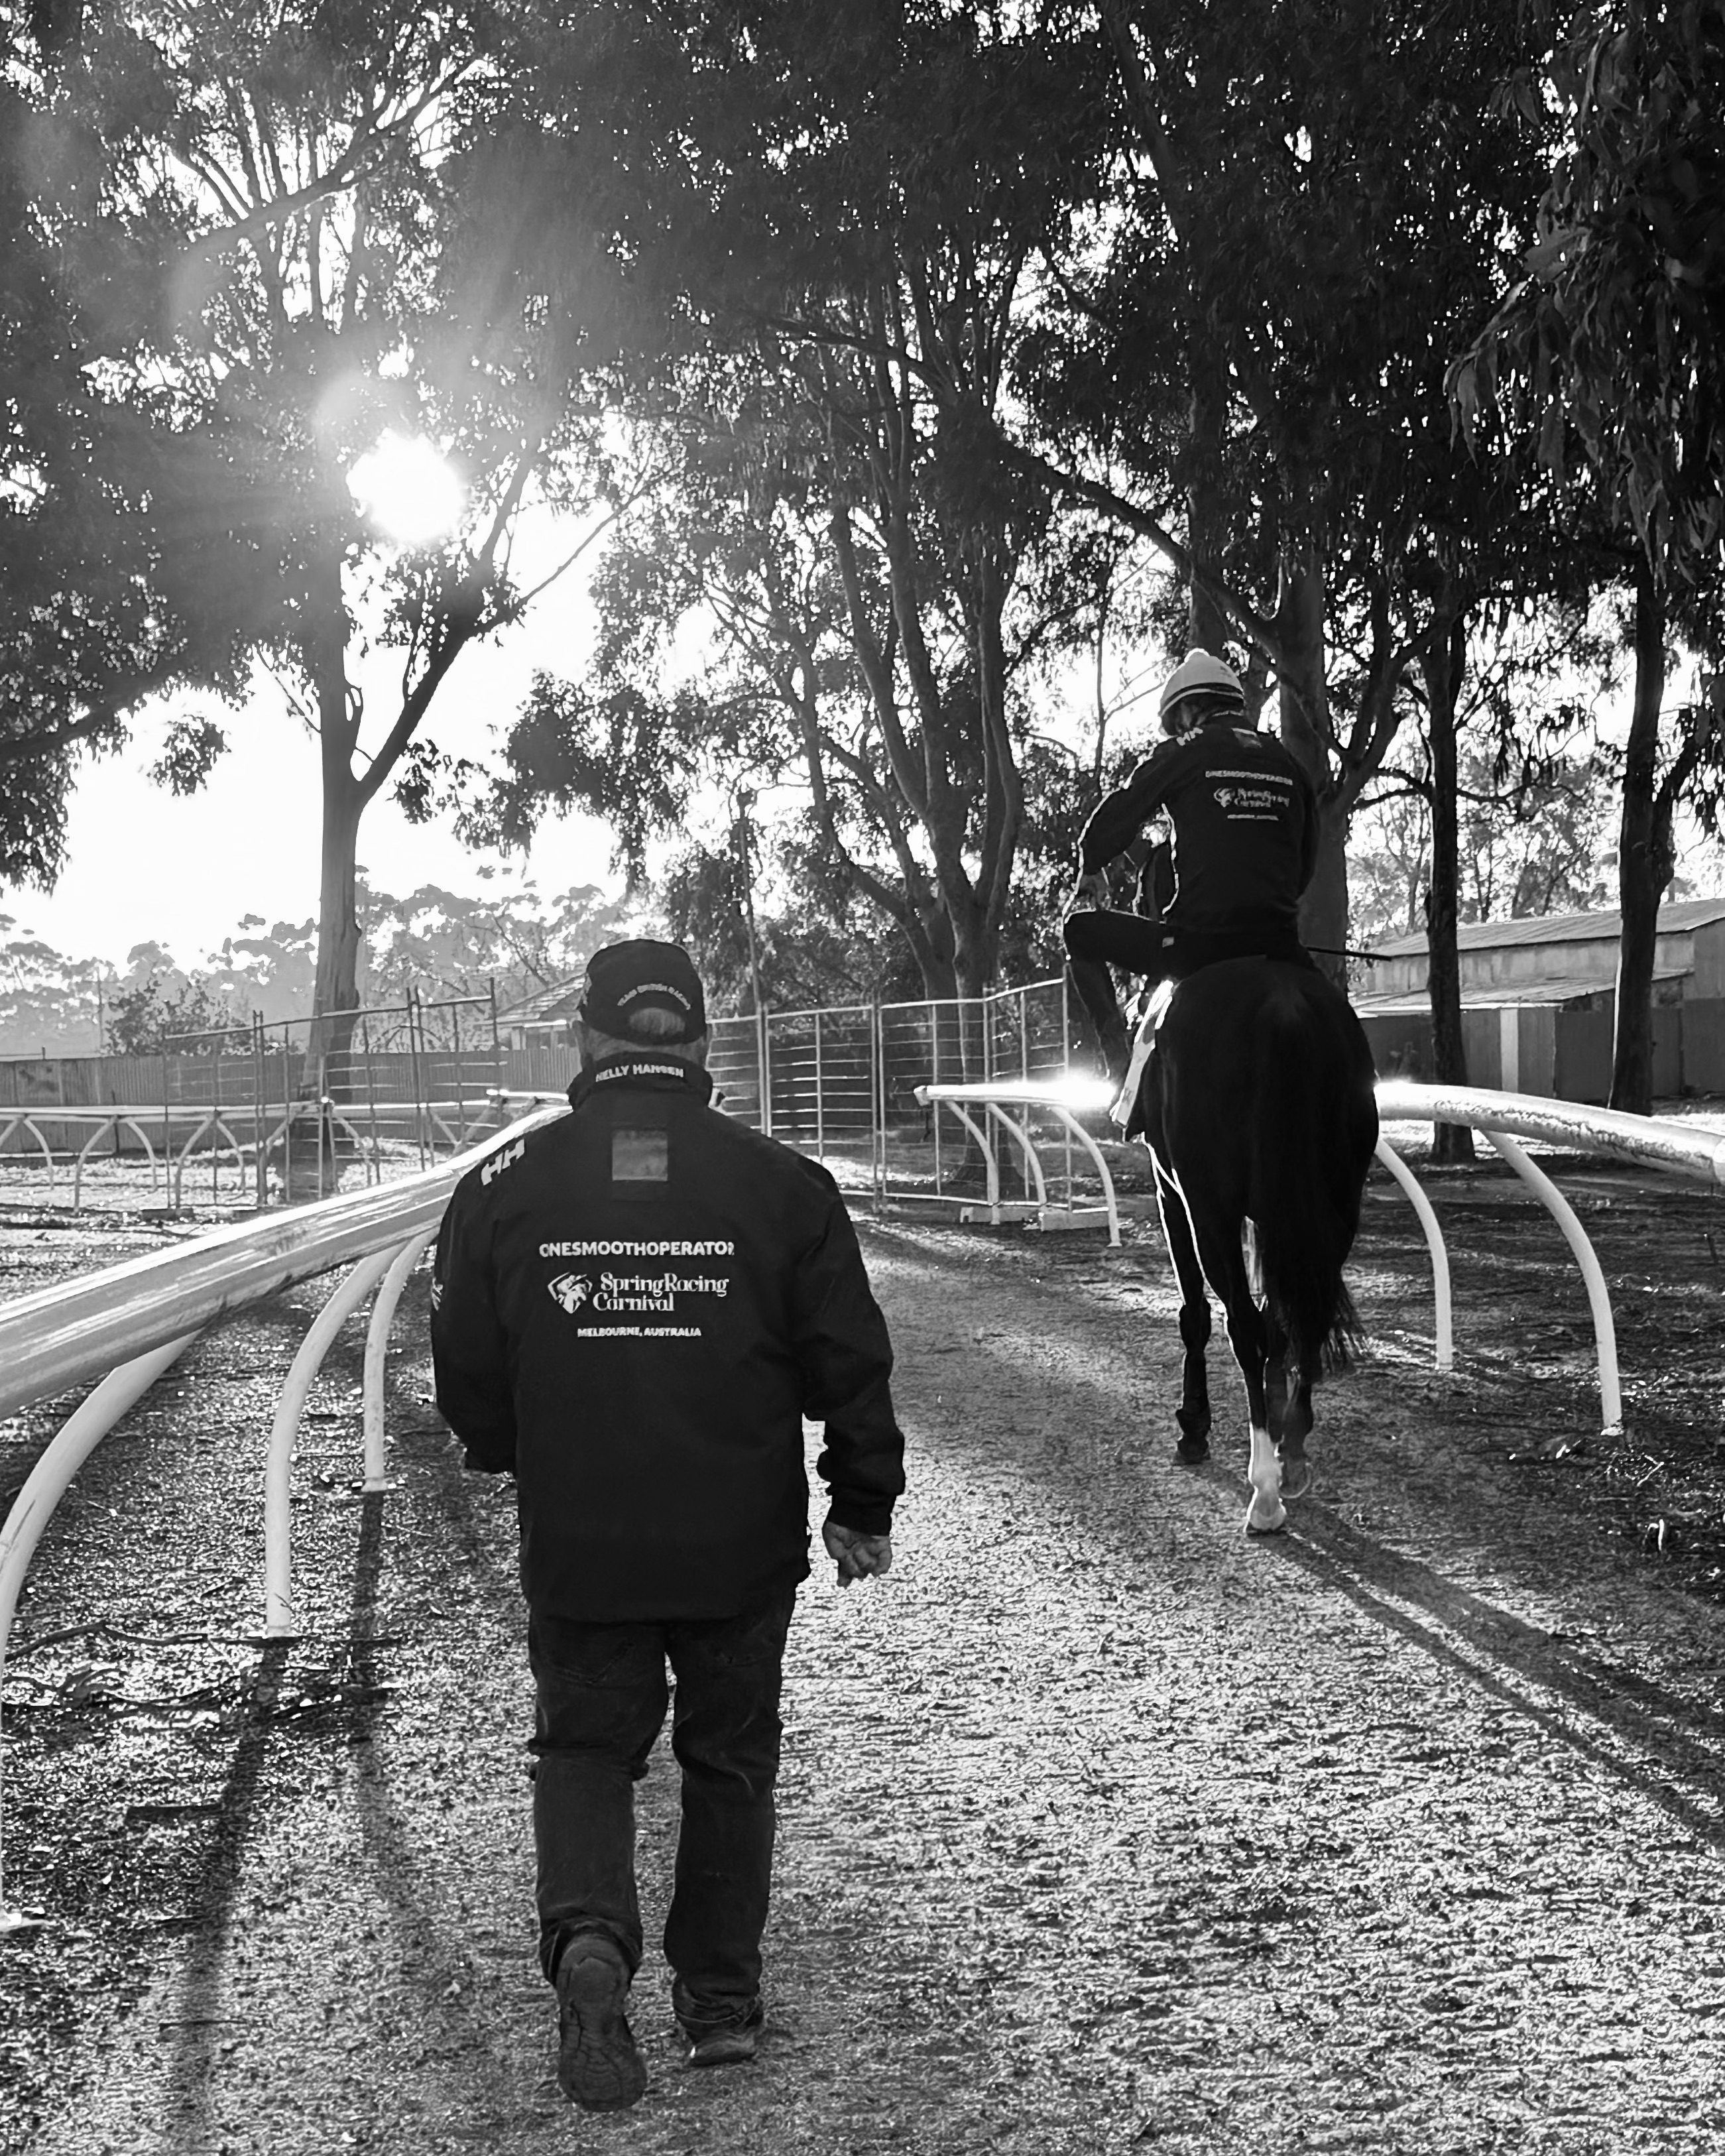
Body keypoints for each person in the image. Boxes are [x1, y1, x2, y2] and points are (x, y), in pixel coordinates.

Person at [429, 937, 905, 2112]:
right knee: (729, 1757)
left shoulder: (502, 1186)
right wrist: (860, 1498)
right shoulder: (783, 1183)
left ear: (588, 1040)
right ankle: (720, 2004)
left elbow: (464, 1371)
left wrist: (509, 1450)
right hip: (736, 1541)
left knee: (587, 1749)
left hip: (582, 1537)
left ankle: (591, 1938)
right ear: (697, 1041)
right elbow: (848, 1355)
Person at [1063, 646, 1321, 1081]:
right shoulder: (1287, 762)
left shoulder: (1184, 750)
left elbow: (1119, 816)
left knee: (1079, 931)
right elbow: (1306, 862)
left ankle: (1119, 1063)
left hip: (1200, 946)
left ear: (1187, 710)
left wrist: (1091, 865)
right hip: (1281, 945)